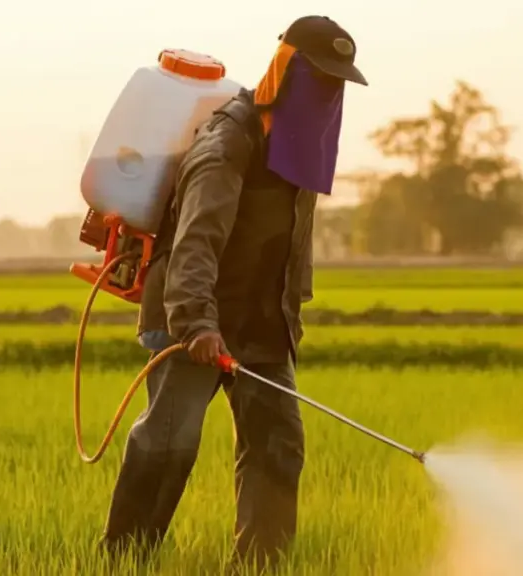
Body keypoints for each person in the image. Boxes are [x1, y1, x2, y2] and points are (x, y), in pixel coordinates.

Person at [98, 15, 367, 572]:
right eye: (319, 76)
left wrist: (289, 317)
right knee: (171, 440)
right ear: (286, 69)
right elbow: (196, 241)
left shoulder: (301, 150)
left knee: (279, 443)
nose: (329, 91)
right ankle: (122, 560)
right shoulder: (227, 145)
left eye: (337, 81)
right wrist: (197, 322)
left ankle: (259, 567)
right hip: (193, 315)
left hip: (261, 322)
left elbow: (295, 244)